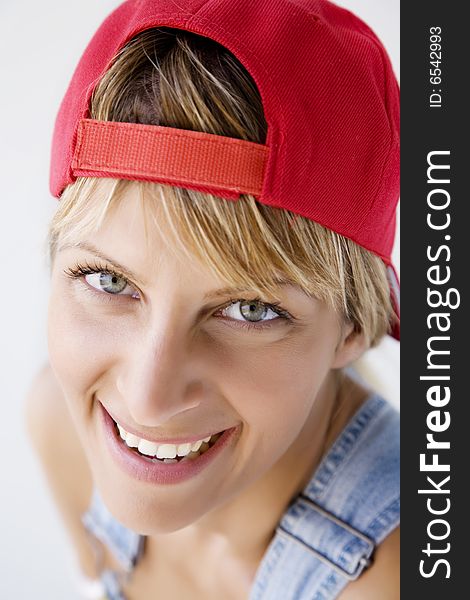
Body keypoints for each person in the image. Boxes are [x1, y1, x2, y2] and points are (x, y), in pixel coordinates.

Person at [24, 0, 400, 598]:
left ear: (354, 326)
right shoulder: (59, 427)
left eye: (251, 310)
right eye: (109, 281)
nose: (148, 397)